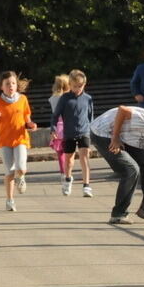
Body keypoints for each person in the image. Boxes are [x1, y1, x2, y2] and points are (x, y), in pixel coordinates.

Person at [0, 71, 37, 212]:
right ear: (1, 87)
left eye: (13, 83)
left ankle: (21, 178)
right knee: (9, 172)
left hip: (20, 138)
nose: (11, 86)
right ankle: (10, 200)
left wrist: (31, 125)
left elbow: (27, 118)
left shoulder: (22, 99)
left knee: (21, 167)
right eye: (7, 84)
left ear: (17, 85)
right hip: (4, 140)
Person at [50, 69, 94, 197]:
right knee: (69, 161)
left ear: (84, 84)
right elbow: (55, 115)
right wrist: (53, 129)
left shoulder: (88, 98)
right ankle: (68, 179)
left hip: (84, 132)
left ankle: (86, 186)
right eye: (75, 86)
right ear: (70, 84)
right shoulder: (64, 98)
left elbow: (91, 117)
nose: (78, 89)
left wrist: (91, 132)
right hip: (68, 133)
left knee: (84, 158)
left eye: (81, 86)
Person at [48, 74, 69, 183]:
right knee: (68, 151)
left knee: (60, 153)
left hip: (57, 126)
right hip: (67, 126)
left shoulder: (52, 98)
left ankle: (63, 172)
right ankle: (68, 171)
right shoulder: (68, 98)